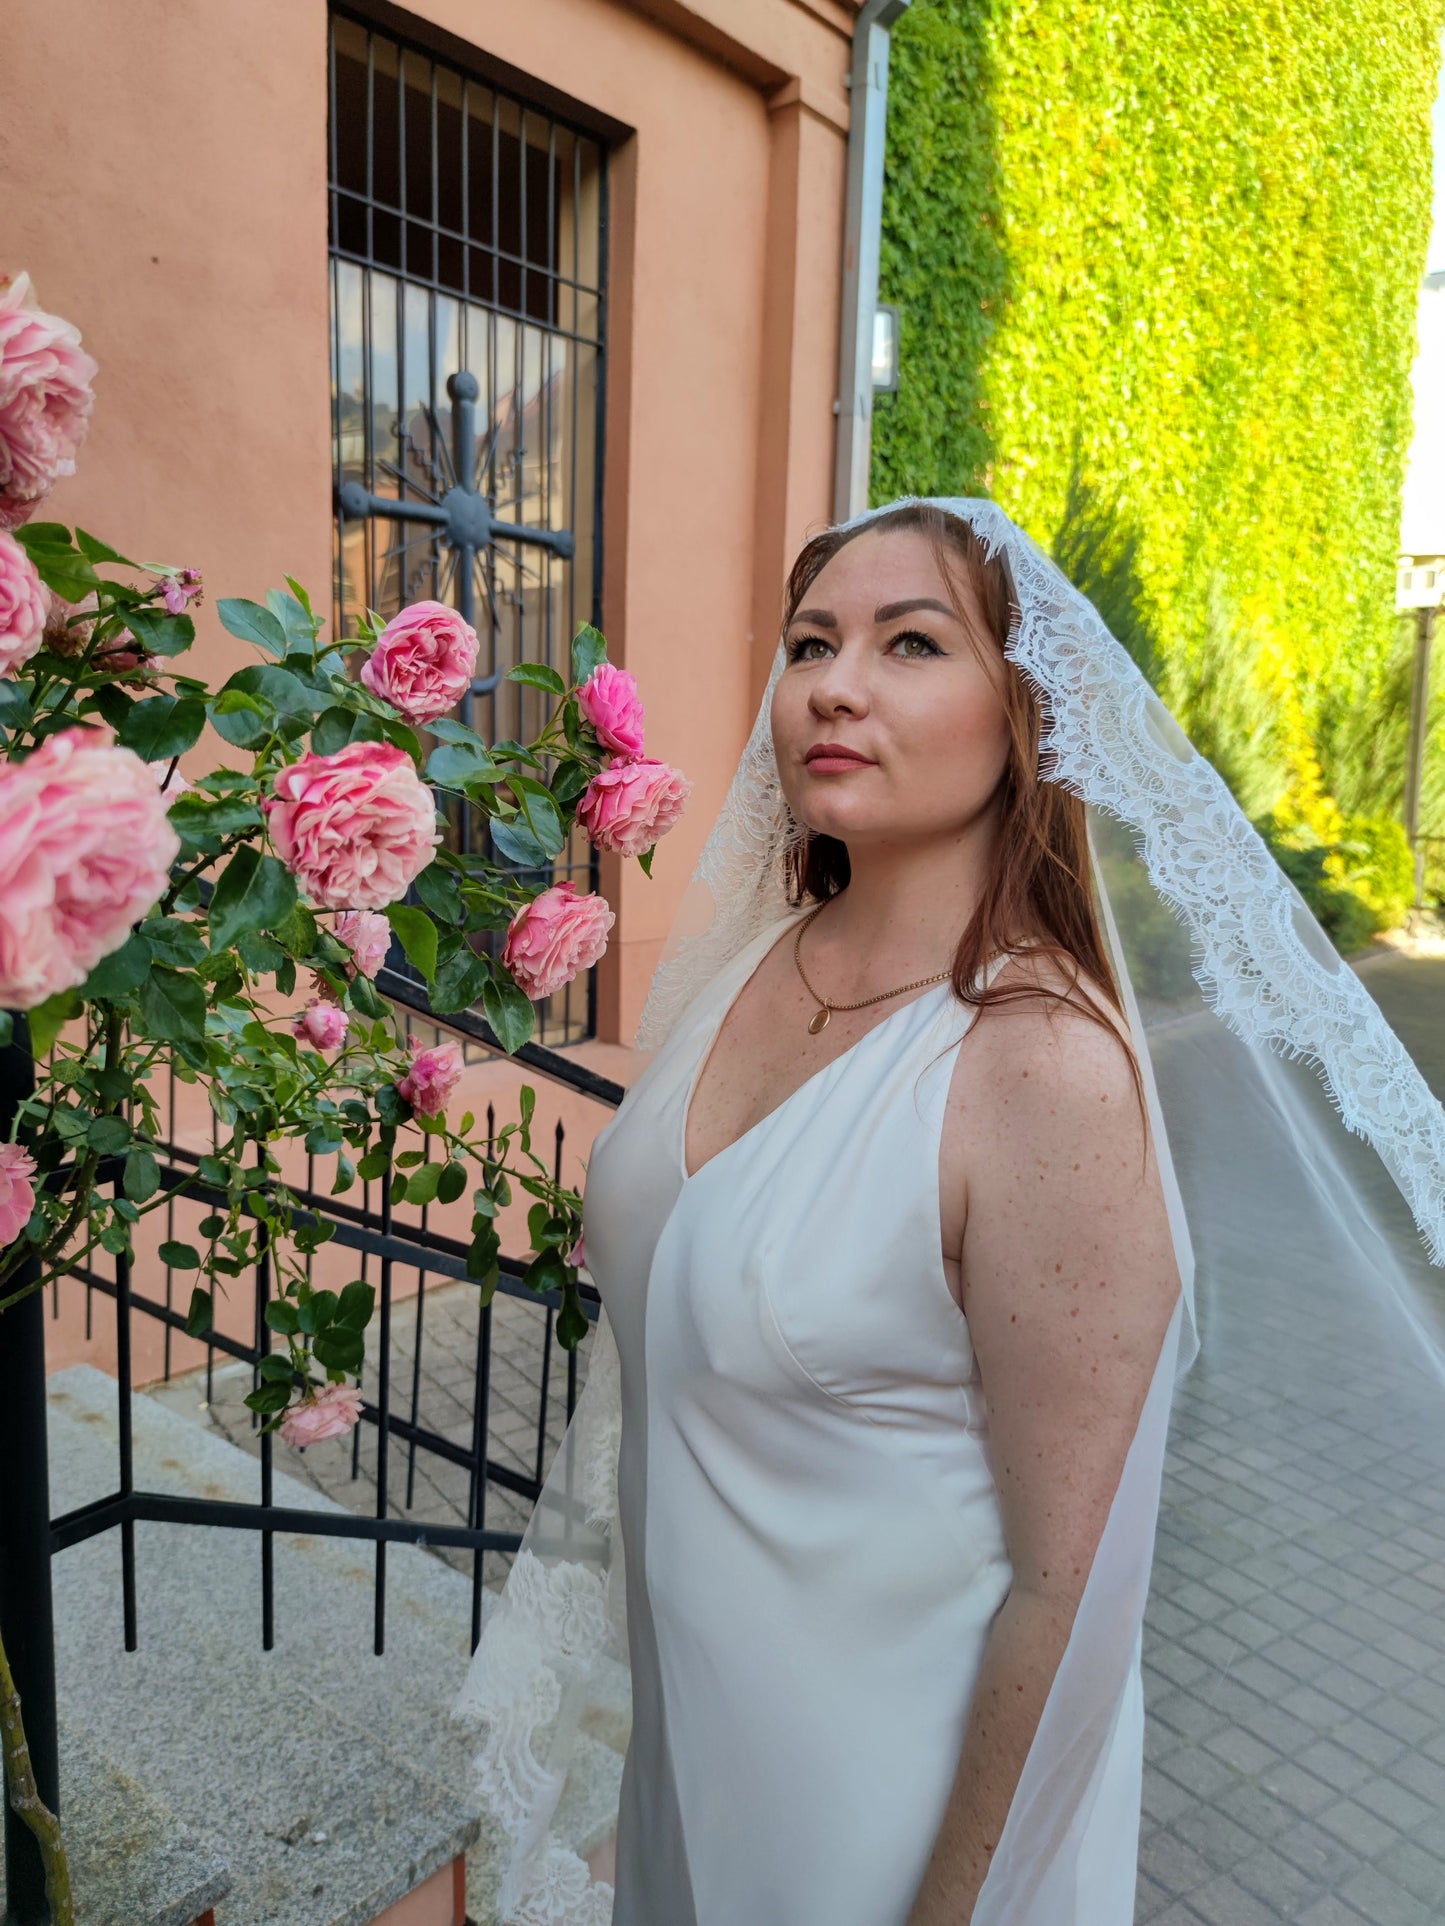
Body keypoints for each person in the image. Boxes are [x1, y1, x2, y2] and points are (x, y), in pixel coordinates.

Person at [455, 497, 1445, 1926]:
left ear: (1025, 716)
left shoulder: (1041, 1069)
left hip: (889, 1815)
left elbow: (1070, 1593)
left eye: (909, 641)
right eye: (811, 642)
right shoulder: (755, 962)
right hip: (690, 1758)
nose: (832, 685)